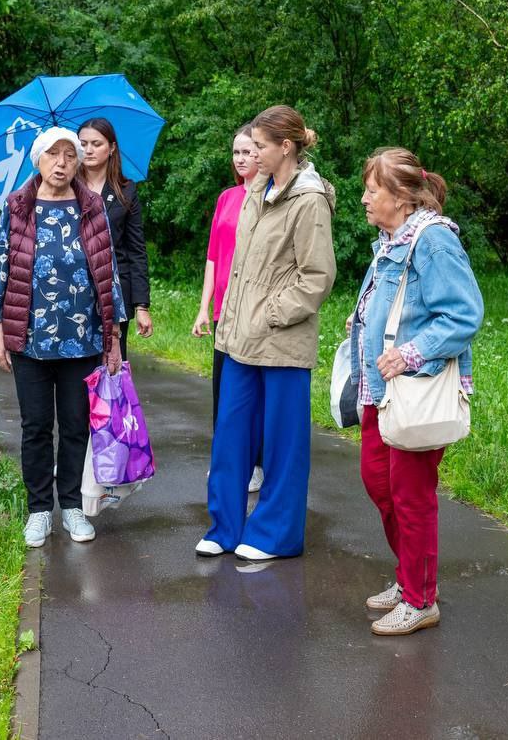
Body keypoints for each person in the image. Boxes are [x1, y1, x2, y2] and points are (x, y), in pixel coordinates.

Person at [348, 147, 483, 636]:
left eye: (372, 190)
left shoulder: (432, 242)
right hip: (379, 388)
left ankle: (421, 598)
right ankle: (411, 578)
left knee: (410, 494)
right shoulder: (391, 240)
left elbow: (463, 315)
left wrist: (409, 352)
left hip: (413, 388)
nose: (364, 198)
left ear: (402, 197)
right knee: (379, 484)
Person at [195, 105, 336, 562]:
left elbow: (317, 277)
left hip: (281, 341)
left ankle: (276, 535)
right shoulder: (257, 188)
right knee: (231, 434)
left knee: (281, 444)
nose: (251, 153)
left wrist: (273, 313)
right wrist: (232, 317)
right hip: (238, 338)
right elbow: (239, 267)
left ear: (285, 148)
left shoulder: (309, 200)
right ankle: (225, 527)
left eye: (259, 146)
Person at [0, 127, 126, 549]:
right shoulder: (17, 207)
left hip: (82, 338)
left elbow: (109, 270)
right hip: (28, 338)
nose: (62, 162)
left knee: (75, 425)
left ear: (79, 162)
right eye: (54, 154)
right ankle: (38, 511)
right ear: (38, 160)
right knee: (35, 426)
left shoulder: (92, 207)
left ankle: (72, 507)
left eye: (71, 154)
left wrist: (113, 336)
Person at [191, 124, 265, 493]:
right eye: (236, 152)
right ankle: (226, 462)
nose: (241, 159)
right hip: (224, 312)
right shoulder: (227, 197)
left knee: (252, 393)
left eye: (249, 151)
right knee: (223, 391)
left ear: (264, 153)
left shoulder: (270, 197)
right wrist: (204, 308)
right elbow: (212, 258)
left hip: (253, 309)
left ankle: (255, 464)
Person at [77, 118, 152, 359]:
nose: (88, 150)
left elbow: (136, 249)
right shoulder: (66, 187)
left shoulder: (125, 190)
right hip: (75, 290)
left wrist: (142, 305)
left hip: (115, 291)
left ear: (111, 148)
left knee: (112, 364)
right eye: (83, 144)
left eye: (96, 144)